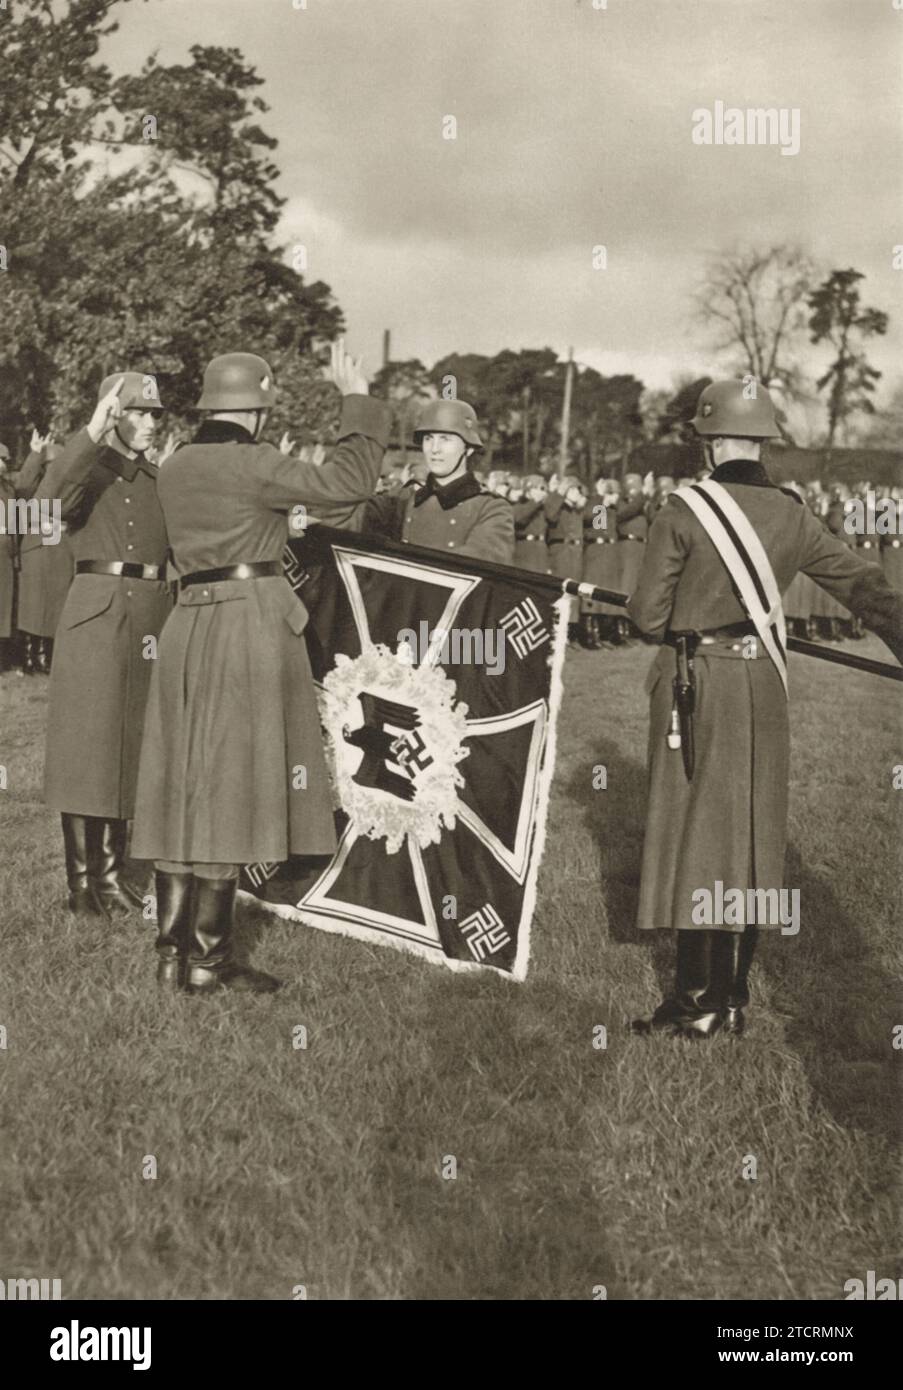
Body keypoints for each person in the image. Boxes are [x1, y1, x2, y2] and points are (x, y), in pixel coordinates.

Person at [628, 379, 903, 1040]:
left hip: (698, 685)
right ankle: (734, 994)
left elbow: (644, 619)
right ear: (761, 442)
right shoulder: (793, 513)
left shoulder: (682, 509)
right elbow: (861, 584)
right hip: (763, 690)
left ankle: (695, 1001)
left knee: (694, 833)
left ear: (711, 440)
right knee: (751, 832)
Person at [131, 342, 392, 995]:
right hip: (246, 627)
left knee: (182, 784)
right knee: (232, 785)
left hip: (189, 624)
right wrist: (354, 402)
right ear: (257, 409)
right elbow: (348, 485)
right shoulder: (256, 463)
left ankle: (171, 953)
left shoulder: (176, 465)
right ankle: (209, 962)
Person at [42, 373, 170, 917]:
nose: (149, 422)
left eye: (155, 414)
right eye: (138, 412)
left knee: (128, 744)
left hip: (149, 617)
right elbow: (46, 501)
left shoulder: (158, 478)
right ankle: (80, 885)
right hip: (95, 612)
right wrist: (91, 429)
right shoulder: (85, 471)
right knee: (86, 747)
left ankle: (112, 876)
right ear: (114, 413)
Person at [364, 399, 514, 564]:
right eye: (428, 438)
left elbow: (482, 564)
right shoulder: (403, 499)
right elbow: (347, 514)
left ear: (469, 449)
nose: (435, 449)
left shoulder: (491, 508)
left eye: (445, 439)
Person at [15, 433, 75, 674]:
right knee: (32, 607)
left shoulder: (68, 488)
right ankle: (29, 657)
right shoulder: (33, 488)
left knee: (56, 607)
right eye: (49, 465)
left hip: (61, 550)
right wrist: (35, 453)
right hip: (36, 550)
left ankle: (48, 657)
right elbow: (22, 485)